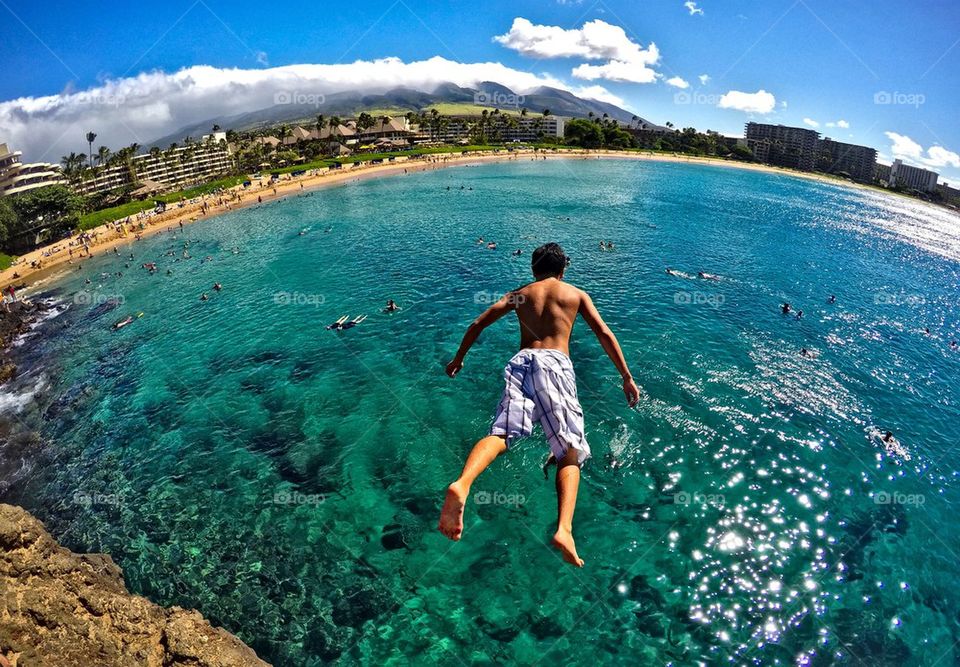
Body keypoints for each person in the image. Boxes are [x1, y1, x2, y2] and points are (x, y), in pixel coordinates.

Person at [438, 242, 641, 567]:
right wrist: (626, 376)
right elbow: (603, 332)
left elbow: (477, 324)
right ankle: (564, 529)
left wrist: (458, 358)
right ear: (563, 270)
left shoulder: (521, 293)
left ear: (534, 269)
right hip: (556, 365)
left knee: (502, 434)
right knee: (569, 451)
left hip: (521, 362)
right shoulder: (575, 295)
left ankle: (462, 484)